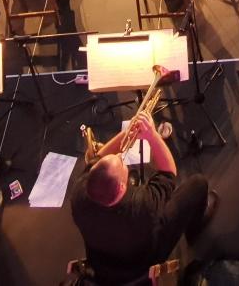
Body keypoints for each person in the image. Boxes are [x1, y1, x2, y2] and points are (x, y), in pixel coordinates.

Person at [70, 107, 214, 285]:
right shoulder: (144, 204)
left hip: (103, 265)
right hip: (145, 260)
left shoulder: (78, 195)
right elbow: (169, 172)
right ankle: (194, 228)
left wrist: (128, 132)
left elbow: (99, 157)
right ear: (122, 186)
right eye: (123, 164)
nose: (123, 161)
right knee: (198, 184)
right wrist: (152, 135)